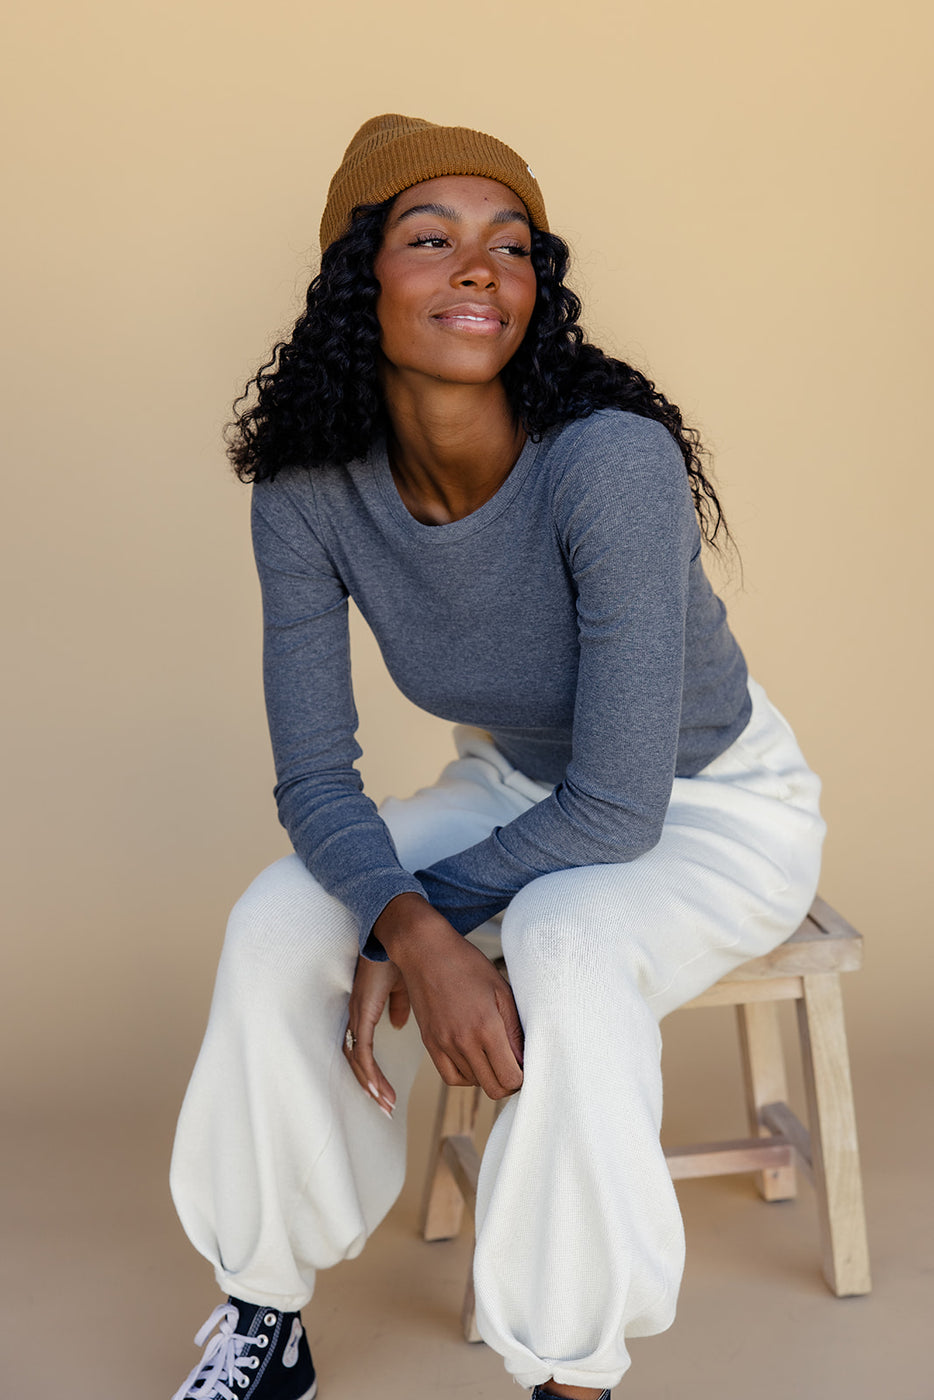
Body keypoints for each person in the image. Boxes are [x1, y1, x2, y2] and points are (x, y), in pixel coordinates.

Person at [168, 114, 825, 1400]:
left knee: (571, 937)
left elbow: (624, 803)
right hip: (518, 787)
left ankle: (567, 1373)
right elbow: (314, 777)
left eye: (510, 246)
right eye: (433, 238)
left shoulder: (606, 461)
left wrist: (427, 919)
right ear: (360, 280)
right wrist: (408, 931)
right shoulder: (309, 488)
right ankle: (266, 1306)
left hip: (709, 808)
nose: (480, 267)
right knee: (279, 912)